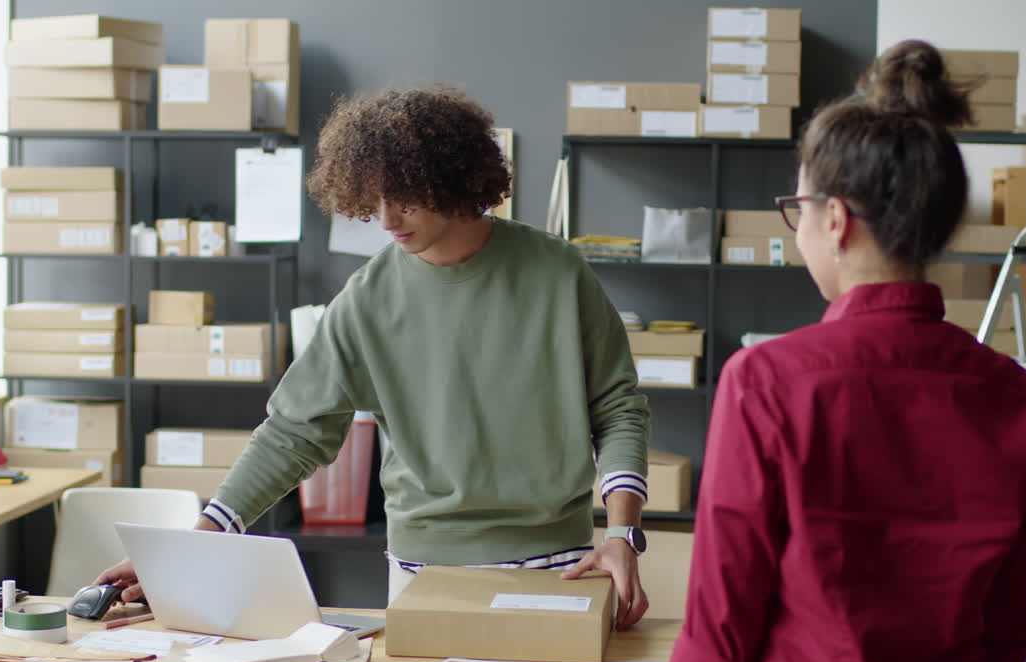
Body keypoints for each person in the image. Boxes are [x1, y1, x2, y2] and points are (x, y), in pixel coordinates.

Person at [96, 86, 653, 628]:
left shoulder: (557, 273)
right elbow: (294, 431)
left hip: (554, 564)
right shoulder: (367, 298)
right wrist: (201, 541)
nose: (386, 220)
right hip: (421, 567)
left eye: (404, 197)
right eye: (373, 198)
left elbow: (618, 408)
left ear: (453, 181)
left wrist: (621, 534)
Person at [666, 40, 1026, 662]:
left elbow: (723, 615)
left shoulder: (765, 382)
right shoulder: (1011, 393)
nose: (799, 231)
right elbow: (1006, 627)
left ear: (835, 219)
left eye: (800, 209)